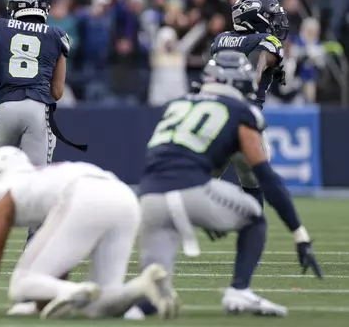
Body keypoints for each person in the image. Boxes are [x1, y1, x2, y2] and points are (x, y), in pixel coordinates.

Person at [134, 51, 322, 318]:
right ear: (237, 82)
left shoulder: (178, 104)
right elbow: (265, 176)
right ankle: (239, 290)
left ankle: (124, 309)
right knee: (255, 217)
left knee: (151, 297)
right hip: (191, 190)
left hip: (150, 196)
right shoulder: (240, 111)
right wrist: (299, 234)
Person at [0, 146, 177, 319]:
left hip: (84, 195)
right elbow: (57, 262)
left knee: (21, 283)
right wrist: (40, 305)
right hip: (124, 196)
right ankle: (142, 286)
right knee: (101, 305)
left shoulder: (6, 189)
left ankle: (71, 291)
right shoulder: (41, 179)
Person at [0, 0, 87, 252]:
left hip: (6, 107)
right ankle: (33, 247)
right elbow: (58, 91)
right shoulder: (57, 34)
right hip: (37, 110)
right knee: (38, 183)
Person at [206, 0, 288, 297]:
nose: (278, 22)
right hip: (244, 122)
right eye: (273, 15)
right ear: (258, 16)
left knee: (197, 181)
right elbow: (253, 77)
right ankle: (252, 234)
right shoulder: (266, 43)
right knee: (255, 180)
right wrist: (274, 66)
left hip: (215, 120)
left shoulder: (221, 40)